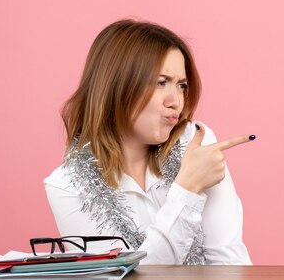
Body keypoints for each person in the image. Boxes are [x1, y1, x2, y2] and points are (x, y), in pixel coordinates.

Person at [44, 19, 254, 265]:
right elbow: (124, 275)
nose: (176, 101)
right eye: (161, 82)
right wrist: (187, 188)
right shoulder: (68, 185)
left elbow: (228, 261)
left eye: (181, 86)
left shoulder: (195, 142)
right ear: (117, 85)